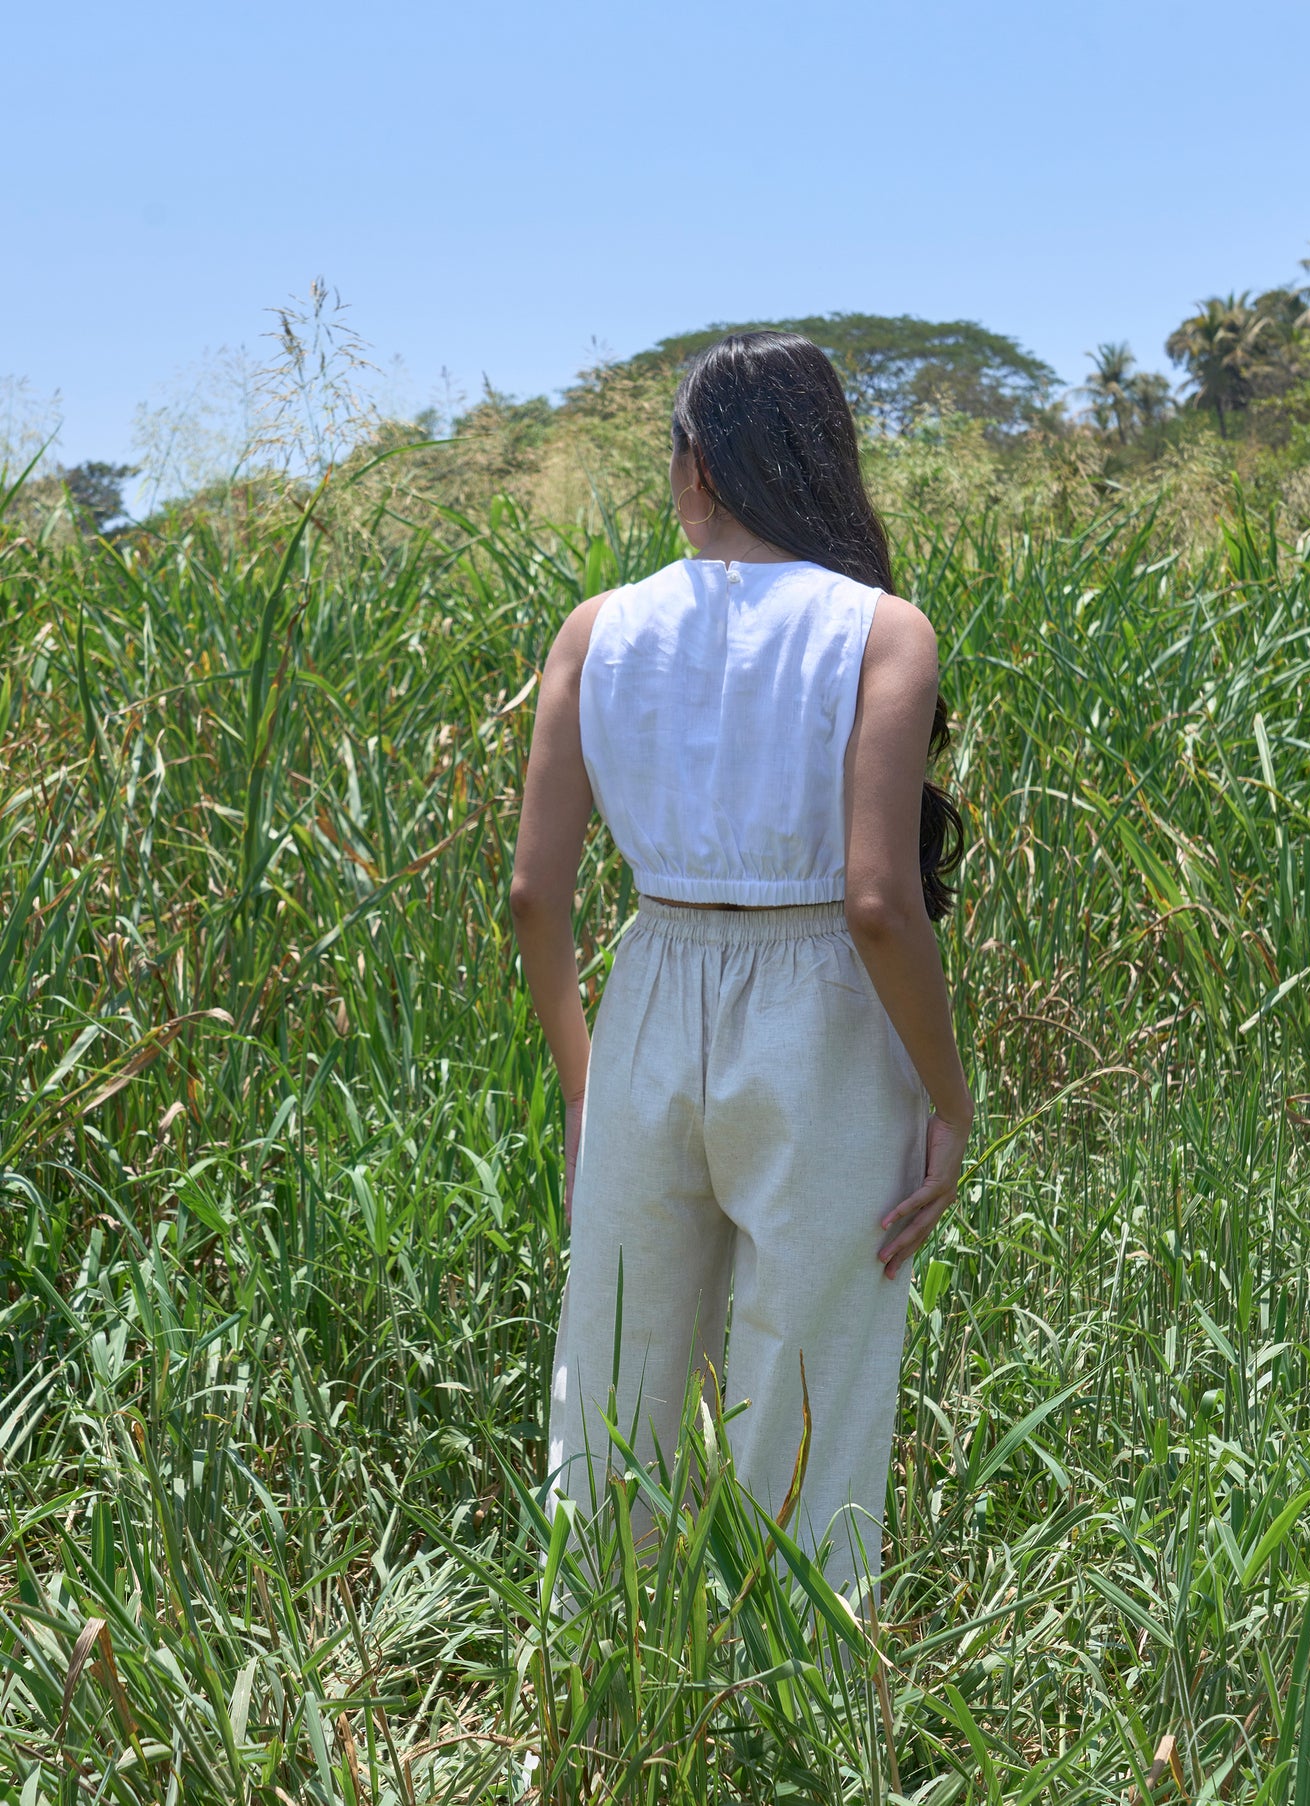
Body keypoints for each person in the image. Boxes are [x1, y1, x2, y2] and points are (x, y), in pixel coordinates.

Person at [509, 330, 975, 1599]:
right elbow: (880, 902)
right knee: (807, 1389)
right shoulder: (881, 632)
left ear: (697, 464)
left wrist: (582, 1084)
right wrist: (947, 1097)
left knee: (611, 1381)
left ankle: (597, 1698)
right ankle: (801, 1720)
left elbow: (532, 896)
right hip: (818, 1002)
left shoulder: (596, 630)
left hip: (652, 980)